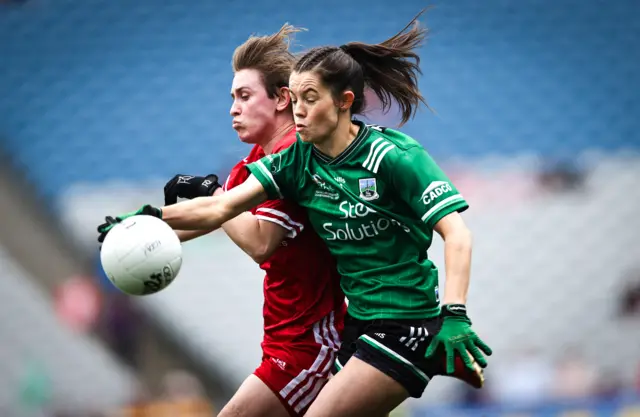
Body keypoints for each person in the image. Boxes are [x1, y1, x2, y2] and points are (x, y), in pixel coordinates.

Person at [98, 11, 491, 417]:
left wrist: (455, 312)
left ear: (343, 102)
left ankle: (438, 351)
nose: (299, 111)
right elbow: (220, 206)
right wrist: (145, 219)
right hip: (356, 328)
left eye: (310, 98)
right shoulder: (298, 160)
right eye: (297, 98)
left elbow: (457, 234)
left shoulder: (394, 157)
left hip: (403, 323)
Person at [146, 25, 346, 417]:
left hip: (314, 342)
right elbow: (208, 218)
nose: (233, 108)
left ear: (282, 99)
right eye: (232, 98)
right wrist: (139, 228)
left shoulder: (296, 154)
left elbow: (260, 242)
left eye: (244, 95)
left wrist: (213, 195)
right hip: (284, 337)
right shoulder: (250, 165)